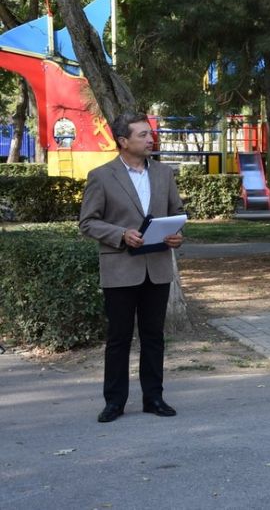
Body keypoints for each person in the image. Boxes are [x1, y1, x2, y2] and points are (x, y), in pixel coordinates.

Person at [79, 112, 185, 423]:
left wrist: (178, 235)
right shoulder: (101, 176)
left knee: (154, 336)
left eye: (150, 133)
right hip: (120, 268)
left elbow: (177, 213)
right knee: (119, 338)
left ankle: (154, 398)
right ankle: (114, 402)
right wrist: (120, 235)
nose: (150, 138)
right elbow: (88, 222)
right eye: (142, 134)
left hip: (158, 267)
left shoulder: (164, 174)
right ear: (123, 141)